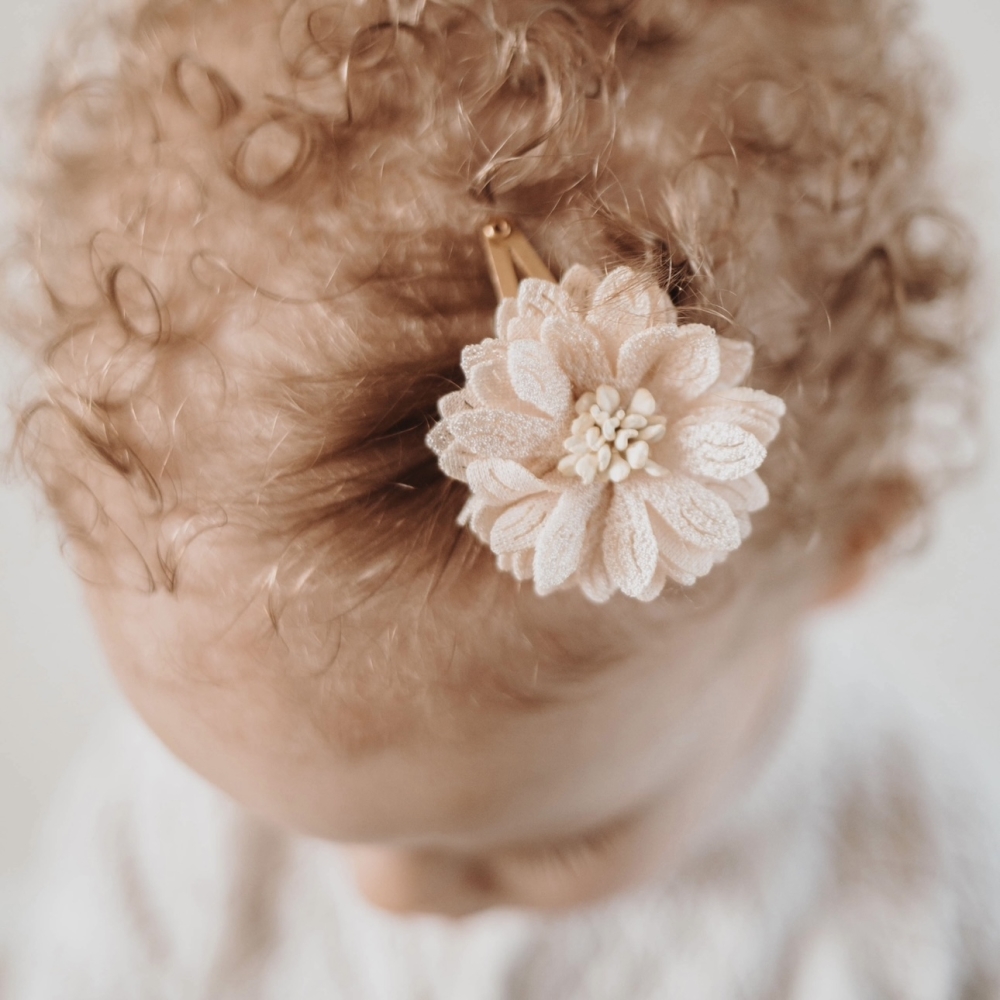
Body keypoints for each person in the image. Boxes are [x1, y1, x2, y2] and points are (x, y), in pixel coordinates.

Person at [3, 0, 998, 995]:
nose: (386, 894)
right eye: (271, 814)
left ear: (840, 545)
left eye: (559, 847)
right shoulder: (172, 827)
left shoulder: (908, 906)